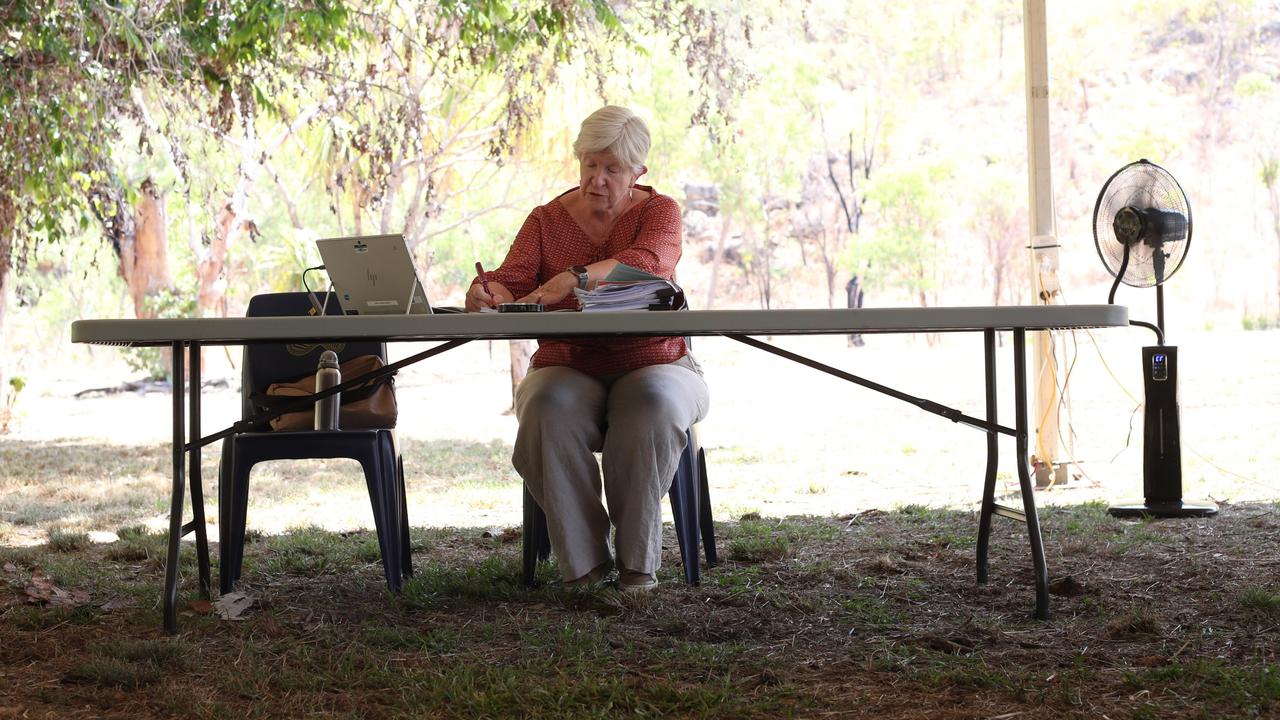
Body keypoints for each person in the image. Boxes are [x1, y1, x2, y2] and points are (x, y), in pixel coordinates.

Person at [465, 106, 710, 592]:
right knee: (543, 407)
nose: (597, 179)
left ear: (638, 172)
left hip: (657, 360)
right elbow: (511, 281)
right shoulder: (546, 220)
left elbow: (650, 263)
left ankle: (638, 566)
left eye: (612, 169)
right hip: (568, 362)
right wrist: (488, 292)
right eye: (589, 165)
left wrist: (573, 278)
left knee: (652, 406)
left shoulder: (660, 211)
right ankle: (585, 566)